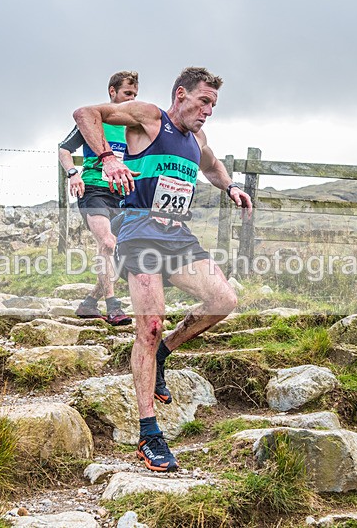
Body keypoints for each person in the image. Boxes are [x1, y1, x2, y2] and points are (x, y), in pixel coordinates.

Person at [73, 67, 252, 472]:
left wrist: (230, 187)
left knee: (223, 299)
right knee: (148, 327)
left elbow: (210, 165)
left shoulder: (197, 139)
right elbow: (85, 113)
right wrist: (106, 158)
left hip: (178, 236)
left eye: (213, 105)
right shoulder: (150, 118)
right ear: (181, 94)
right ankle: (149, 434)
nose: (208, 110)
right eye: (203, 101)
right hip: (138, 231)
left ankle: (166, 353)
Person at [58, 70, 139, 326]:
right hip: (93, 189)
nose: (131, 99)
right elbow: (64, 149)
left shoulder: (134, 126)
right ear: (112, 92)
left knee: (114, 250)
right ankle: (113, 306)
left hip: (123, 194)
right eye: (127, 93)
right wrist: (73, 173)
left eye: (135, 95)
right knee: (107, 242)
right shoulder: (93, 120)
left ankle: (89, 303)